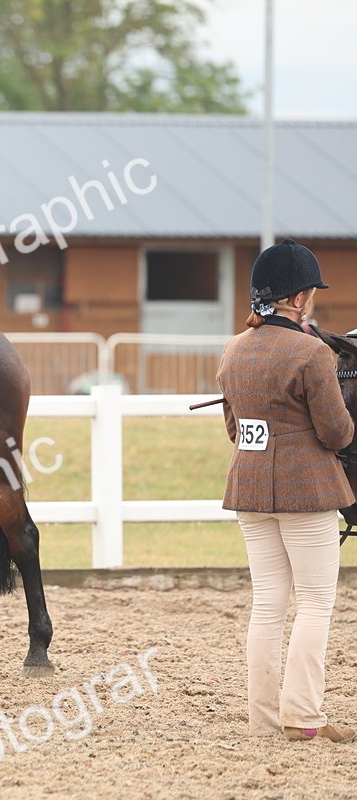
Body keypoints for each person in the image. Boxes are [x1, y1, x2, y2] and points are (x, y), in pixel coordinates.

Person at [217, 238, 355, 743]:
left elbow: (236, 428)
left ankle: (264, 720)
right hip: (307, 493)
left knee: (268, 606)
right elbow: (337, 434)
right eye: (311, 292)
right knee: (317, 601)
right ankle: (304, 716)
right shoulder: (312, 353)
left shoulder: (233, 350)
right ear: (297, 299)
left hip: (251, 491)